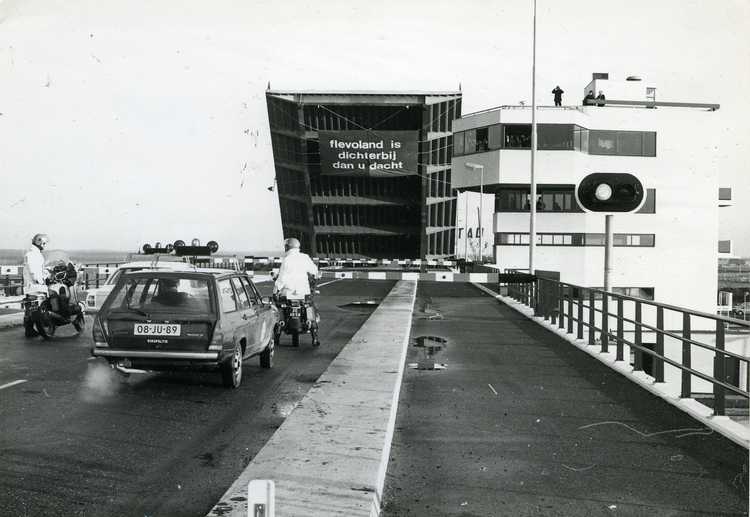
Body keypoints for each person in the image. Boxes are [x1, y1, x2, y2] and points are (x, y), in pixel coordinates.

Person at [274, 237, 320, 342]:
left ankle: (278, 333)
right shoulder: (305, 257)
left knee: (280, 308)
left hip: (288, 292)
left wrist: (275, 291)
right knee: (310, 307)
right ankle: (315, 337)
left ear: (288, 247)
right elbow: (314, 271)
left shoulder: (286, 260)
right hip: (303, 292)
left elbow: (282, 279)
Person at [22, 233, 49, 337]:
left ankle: (29, 330)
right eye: (44, 243)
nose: (44, 246)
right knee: (35, 307)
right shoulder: (33, 254)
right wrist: (40, 280)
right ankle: (30, 330)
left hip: (30, 286)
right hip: (34, 286)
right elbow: (34, 271)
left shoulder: (32, 253)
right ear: (40, 242)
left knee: (30, 308)